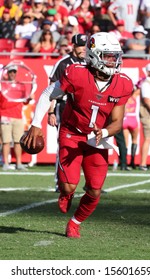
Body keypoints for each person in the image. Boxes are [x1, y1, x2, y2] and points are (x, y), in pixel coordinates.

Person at [23, 32, 133, 238]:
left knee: (95, 190)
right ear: (94, 55)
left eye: (115, 56)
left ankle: (75, 223)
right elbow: (48, 93)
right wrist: (36, 123)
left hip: (97, 139)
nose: (114, 60)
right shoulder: (76, 72)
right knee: (68, 185)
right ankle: (67, 193)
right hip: (72, 133)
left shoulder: (123, 83)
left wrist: (106, 131)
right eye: (108, 56)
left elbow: (118, 121)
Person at [48, 33, 87, 191]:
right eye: (80, 45)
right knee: (64, 144)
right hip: (64, 105)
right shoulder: (63, 63)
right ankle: (60, 181)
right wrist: (51, 111)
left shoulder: (89, 62)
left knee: (88, 145)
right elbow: (51, 88)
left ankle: (90, 183)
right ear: (73, 46)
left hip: (84, 107)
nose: (83, 49)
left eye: (85, 46)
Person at [0, 65, 28, 171]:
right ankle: (6, 163)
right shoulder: (2, 85)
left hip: (17, 116)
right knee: (6, 141)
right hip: (5, 115)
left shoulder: (21, 85)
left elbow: (25, 100)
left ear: (16, 73)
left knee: (18, 141)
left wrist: (29, 98)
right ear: (7, 73)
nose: (12, 74)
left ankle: (19, 163)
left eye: (14, 72)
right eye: (10, 72)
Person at [122, 85, 140, 169]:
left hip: (125, 120)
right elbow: (139, 89)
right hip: (133, 119)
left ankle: (124, 161)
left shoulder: (124, 98)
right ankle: (132, 161)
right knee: (135, 140)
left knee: (125, 142)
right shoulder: (134, 97)